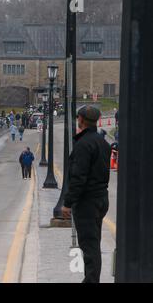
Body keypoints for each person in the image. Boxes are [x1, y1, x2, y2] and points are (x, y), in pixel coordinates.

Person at [62, 106, 111, 284]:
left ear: (81, 119)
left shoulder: (83, 144)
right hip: (101, 198)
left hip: (87, 201)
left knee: (89, 246)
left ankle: (91, 281)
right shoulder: (103, 143)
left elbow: (79, 177)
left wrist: (68, 202)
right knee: (93, 243)